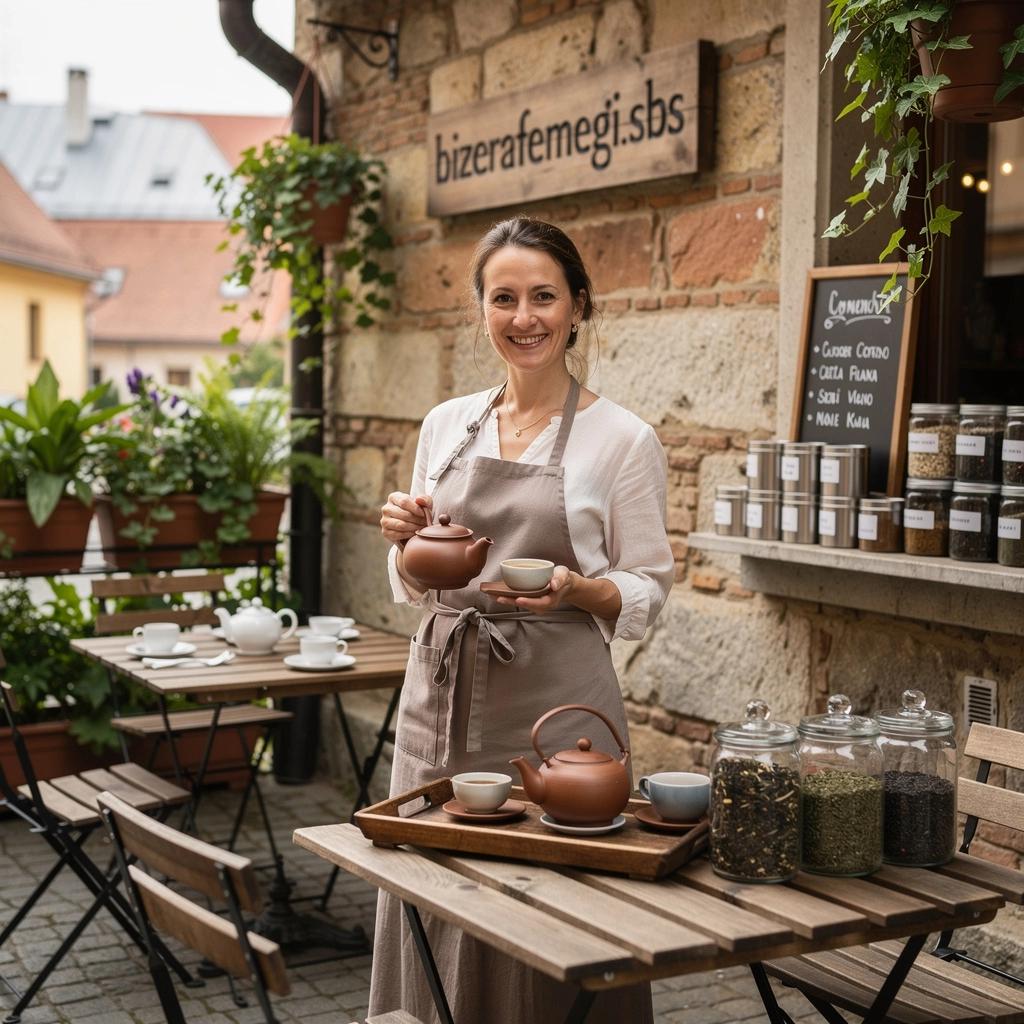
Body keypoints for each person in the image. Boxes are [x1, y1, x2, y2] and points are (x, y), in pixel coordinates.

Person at [369, 216, 674, 1023]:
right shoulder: (445, 424)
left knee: (549, 906)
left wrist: (577, 590)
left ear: (579, 306)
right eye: (503, 298)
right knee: (431, 883)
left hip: (554, 708)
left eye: (544, 296)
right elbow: (417, 578)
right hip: (439, 688)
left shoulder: (622, 440)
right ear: (481, 312)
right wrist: (403, 537)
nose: (524, 316)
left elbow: (647, 589)